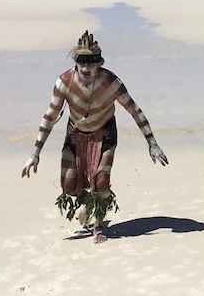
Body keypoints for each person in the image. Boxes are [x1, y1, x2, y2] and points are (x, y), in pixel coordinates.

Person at [21, 31, 169, 243]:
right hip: (75, 133)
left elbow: (135, 111)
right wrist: (35, 154)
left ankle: (98, 225)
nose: (85, 67)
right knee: (69, 185)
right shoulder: (64, 83)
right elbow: (50, 116)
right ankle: (88, 203)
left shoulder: (111, 83)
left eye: (91, 62)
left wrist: (152, 144)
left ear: (99, 63)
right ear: (75, 63)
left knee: (101, 179)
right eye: (81, 61)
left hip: (105, 133)